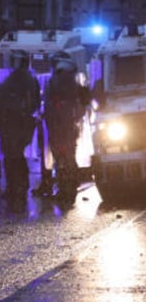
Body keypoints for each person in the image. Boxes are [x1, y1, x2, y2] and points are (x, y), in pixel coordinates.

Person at [0, 49, 41, 209]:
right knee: (16, 156)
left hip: (13, 123)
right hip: (20, 123)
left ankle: (14, 187)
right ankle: (19, 187)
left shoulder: (15, 79)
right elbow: (35, 102)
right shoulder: (29, 79)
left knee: (12, 157)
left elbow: (0, 96)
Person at [43, 55, 90, 205]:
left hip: (59, 129)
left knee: (62, 160)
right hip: (68, 129)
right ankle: (69, 189)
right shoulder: (74, 85)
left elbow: (49, 107)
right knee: (69, 159)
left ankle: (65, 190)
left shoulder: (55, 83)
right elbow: (84, 104)